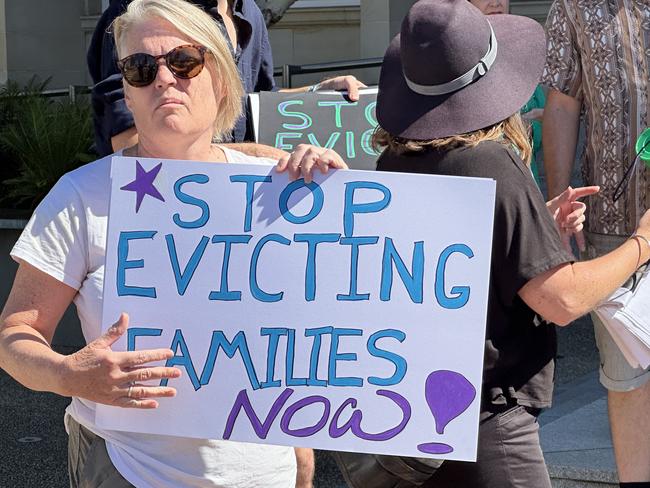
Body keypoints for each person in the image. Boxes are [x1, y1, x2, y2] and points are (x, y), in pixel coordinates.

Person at [0, 0, 347, 486]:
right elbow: (14, 335)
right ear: (126, 88)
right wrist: (67, 373)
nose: (164, 78)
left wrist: (335, 191)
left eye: (185, 61)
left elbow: (309, 336)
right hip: (127, 468)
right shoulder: (83, 196)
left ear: (221, 78)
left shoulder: (280, 188)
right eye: (140, 68)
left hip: (264, 472)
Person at [371, 1, 650, 486]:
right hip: (493, 416)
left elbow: (463, 255)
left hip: (423, 408)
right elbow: (562, 298)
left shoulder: (396, 162)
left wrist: (537, 226)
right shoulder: (492, 162)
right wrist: (642, 242)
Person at [542, 1, 650, 485]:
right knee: (629, 378)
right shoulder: (573, 6)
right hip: (613, 226)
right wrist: (560, 199)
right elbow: (563, 102)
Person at [88, 0, 367, 158]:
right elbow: (129, 142)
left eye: (184, 62)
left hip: (233, 213)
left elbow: (254, 100)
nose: (165, 77)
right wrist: (253, 157)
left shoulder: (250, 13)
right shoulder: (141, 15)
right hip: (148, 210)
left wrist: (317, 90)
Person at [468, 0, 546, 184]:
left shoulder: (522, 50)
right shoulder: (454, 53)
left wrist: (534, 124)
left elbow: (540, 120)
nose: (495, 2)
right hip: (476, 181)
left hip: (522, 182)